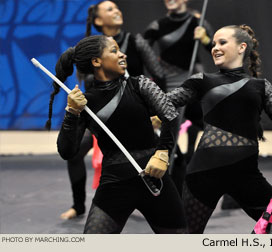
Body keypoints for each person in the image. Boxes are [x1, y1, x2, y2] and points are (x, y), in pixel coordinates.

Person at [166, 24, 272, 233]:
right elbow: (164, 101)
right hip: (203, 175)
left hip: (246, 176)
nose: (215, 47)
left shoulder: (261, 86)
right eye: (213, 44)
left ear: (241, 47)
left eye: (222, 42)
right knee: (187, 237)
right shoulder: (202, 81)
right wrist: (135, 90)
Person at [48, 35, 187, 233]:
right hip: (114, 185)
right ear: (97, 61)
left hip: (155, 181)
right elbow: (67, 151)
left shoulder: (140, 85)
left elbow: (171, 116)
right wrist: (71, 113)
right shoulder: (85, 103)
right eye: (114, 51)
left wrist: (162, 152)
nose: (123, 54)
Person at [60, 0, 166, 220]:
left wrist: (157, 110)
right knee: (76, 152)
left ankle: (166, 202)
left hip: (136, 110)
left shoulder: (135, 41)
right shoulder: (89, 49)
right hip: (103, 114)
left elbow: (158, 74)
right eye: (110, 9)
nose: (117, 11)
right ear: (98, 20)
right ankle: (78, 205)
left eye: (117, 7)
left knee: (171, 152)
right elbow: (87, 83)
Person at [144, 0, 213, 194]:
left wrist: (205, 39)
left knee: (201, 123)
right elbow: (142, 51)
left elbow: (218, 49)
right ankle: (169, 182)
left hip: (194, 80)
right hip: (168, 82)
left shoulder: (199, 22)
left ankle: (192, 169)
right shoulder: (157, 25)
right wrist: (156, 74)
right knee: (168, 131)